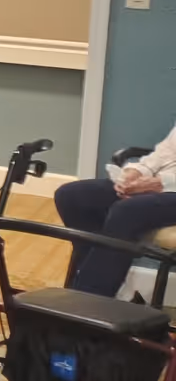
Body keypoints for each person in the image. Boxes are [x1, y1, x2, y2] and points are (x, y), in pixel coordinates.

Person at [55, 123, 176, 296]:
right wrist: (136, 172)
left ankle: (88, 301)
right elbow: (168, 151)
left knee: (128, 211)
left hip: (169, 186)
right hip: (162, 184)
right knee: (71, 196)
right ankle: (95, 283)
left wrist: (162, 183)